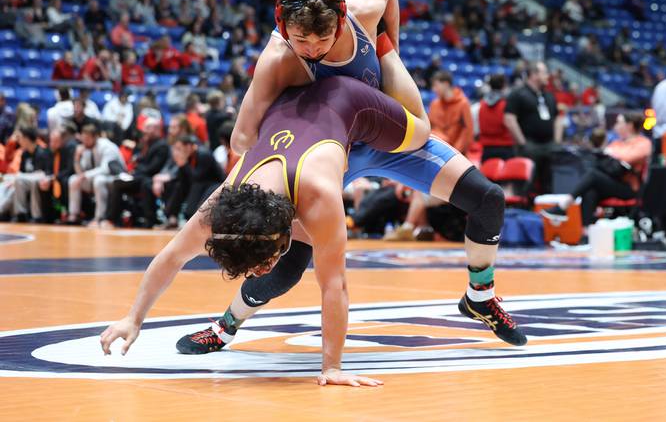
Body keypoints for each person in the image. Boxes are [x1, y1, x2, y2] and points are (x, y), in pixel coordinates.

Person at [178, 0, 526, 352]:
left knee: (488, 198)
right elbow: (243, 138)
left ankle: (479, 296)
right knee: (288, 266)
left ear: (341, 20)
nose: (312, 50)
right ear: (284, 29)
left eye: (322, 39)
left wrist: (391, 44)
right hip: (326, 154)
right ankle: (226, 324)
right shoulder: (277, 58)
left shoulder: (363, 7)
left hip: (384, 134)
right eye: (302, 41)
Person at [99, 76, 430, 387]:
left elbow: (334, 284)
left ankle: (385, 45)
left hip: (356, 109)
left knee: (431, 143)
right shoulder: (221, 206)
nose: (259, 269)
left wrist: (332, 366)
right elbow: (172, 257)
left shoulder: (317, 194)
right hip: (310, 157)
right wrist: (133, 318)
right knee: (284, 275)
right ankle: (226, 325)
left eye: (264, 260)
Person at [543, 113, 652, 227]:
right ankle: (586, 233)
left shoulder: (643, 143)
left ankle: (564, 205)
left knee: (593, 175)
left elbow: (629, 157)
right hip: (612, 182)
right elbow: (605, 153)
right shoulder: (617, 143)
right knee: (590, 191)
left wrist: (611, 153)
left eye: (619, 122)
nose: (615, 126)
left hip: (629, 188)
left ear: (629, 125)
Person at [504, 61, 560, 193]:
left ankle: (546, 212)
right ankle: (525, 212)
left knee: (548, 184)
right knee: (527, 185)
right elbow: (509, 119)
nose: (548, 76)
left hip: (549, 145)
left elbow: (558, 117)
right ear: (534, 75)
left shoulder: (549, 95)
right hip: (530, 145)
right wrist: (523, 143)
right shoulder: (518, 94)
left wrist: (556, 141)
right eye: (544, 72)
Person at [428, 70, 473, 155]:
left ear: (446, 84)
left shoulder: (463, 103)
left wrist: (455, 152)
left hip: (457, 154)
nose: (433, 89)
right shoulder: (434, 104)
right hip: (438, 153)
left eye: (436, 85)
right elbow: (430, 128)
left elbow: (467, 131)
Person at [478, 74, 514, 161]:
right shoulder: (506, 104)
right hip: (505, 148)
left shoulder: (482, 104)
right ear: (504, 85)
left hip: (487, 149)